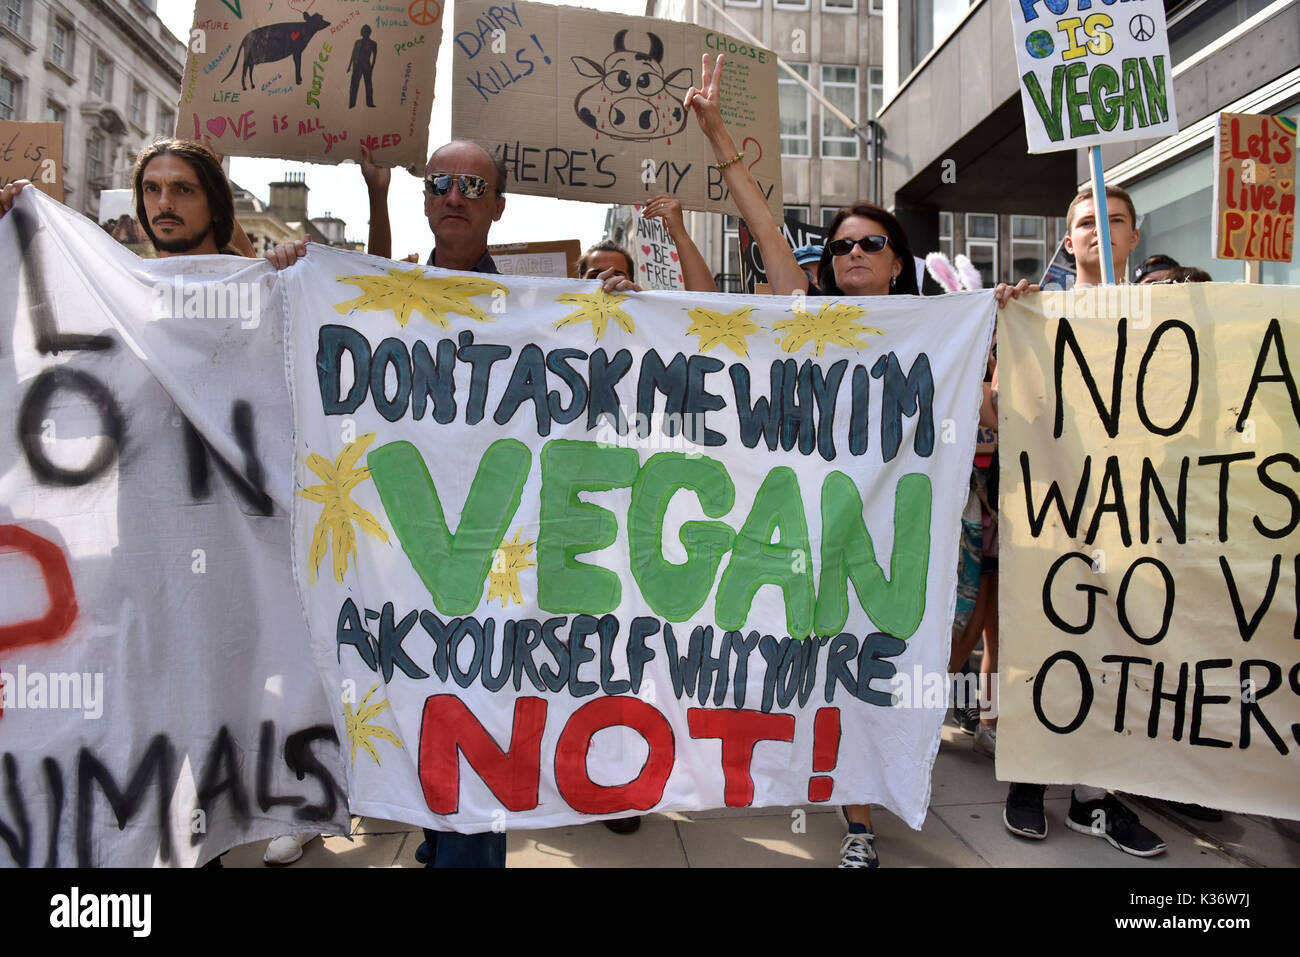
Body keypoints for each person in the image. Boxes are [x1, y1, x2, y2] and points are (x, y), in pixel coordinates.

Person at [685, 52, 919, 869]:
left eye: (871, 242)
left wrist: (1008, 311)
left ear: (896, 261)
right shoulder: (810, 318)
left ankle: (877, 794)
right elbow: (764, 230)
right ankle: (848, 811)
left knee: (877, 672)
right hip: (815, 533)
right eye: (841, 243)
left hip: (892, 538)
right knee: (820, 666)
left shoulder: (935, 329)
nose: (852, 251)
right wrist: (717, 136)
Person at [995, 184, 1167, 857]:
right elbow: (1013, 407)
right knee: (1045, 635)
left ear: (1133, 236)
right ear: (1069, 240)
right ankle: (1031, 778)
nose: (1100, 230)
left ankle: (1098, 797)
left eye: (1114, 220)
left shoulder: (1167, 315)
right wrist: (1012, 323)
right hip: (1053, 509)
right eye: (1087, 222)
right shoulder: (1039, 313)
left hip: (1134, 509)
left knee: (1118, 644)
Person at [365, 138, 511, 867]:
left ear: (497, 206)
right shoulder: (387, 294)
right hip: (402, 549)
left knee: (477, 708)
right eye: (441, 182)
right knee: (418, 702)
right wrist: (372, 197)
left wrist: (614, 305)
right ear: (425, 198)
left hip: (492, 556)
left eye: (472, 185)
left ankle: (465, 847)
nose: (454, 195)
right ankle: (437, 831)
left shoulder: (532, 309)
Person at [578, 195, 716, 294]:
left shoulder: (645, 315)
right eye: (594, 276)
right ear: (579, 280)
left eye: (616, 275)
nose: (607, 282)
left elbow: (706, 306)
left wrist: (679, 234)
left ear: (630, 280)